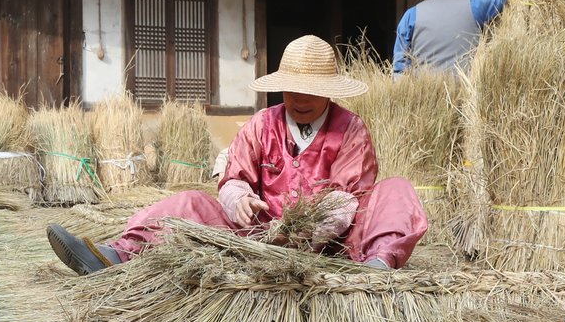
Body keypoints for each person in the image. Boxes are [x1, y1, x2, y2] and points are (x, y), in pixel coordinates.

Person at [46, 35, 428, 273]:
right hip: (255, 237)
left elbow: (349, 199)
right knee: (189, 203)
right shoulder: (262, 123)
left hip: (333, 245)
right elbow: (234, 177)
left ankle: (377, 270)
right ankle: (114, 256)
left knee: (396, 191)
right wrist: (239, 200)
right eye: (292, 89)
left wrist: (308, 228)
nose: (301, 99)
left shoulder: (351, 130)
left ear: (329, 91)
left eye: (311, 91)